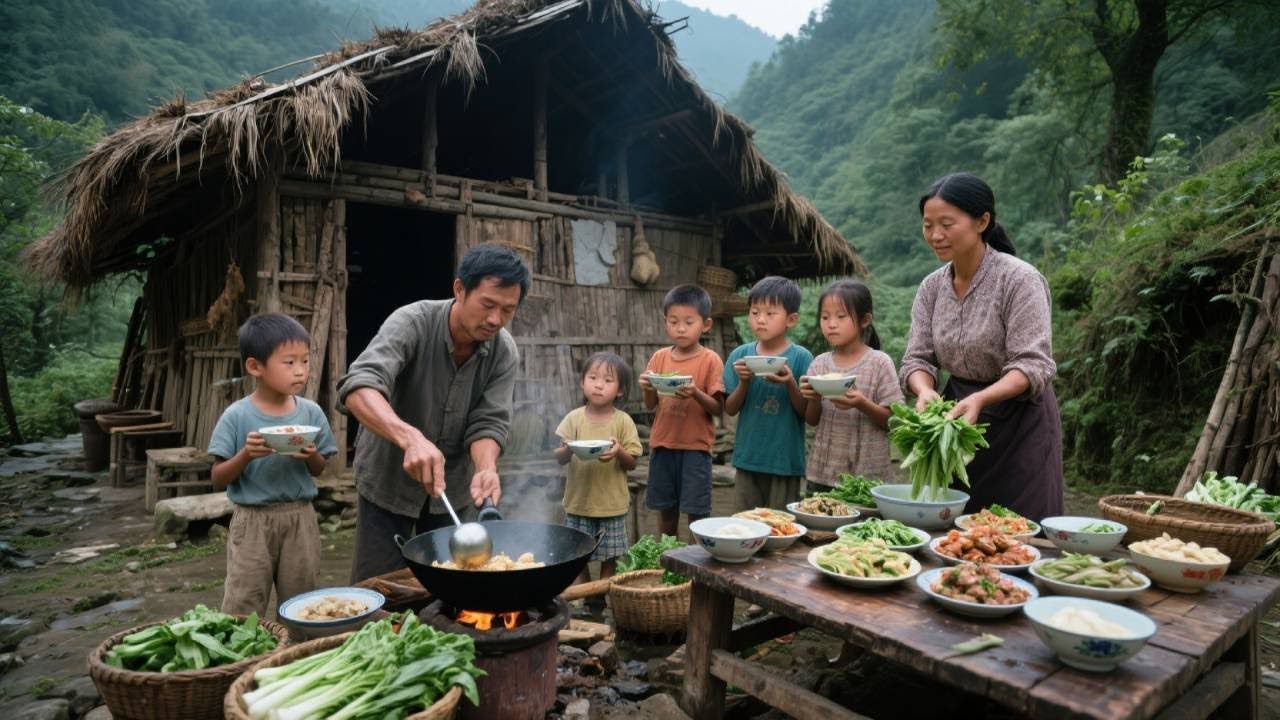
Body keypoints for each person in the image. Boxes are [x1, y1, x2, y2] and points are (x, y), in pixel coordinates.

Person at [337, 244, 527, 583]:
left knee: (448, 591)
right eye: (488, 304)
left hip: (452, 490)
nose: (495, 319)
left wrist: (485, 468)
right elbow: (359, 386)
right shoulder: (412, 322)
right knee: (377, 588)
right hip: (388, 480)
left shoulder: (503, 350)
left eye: (508, 310)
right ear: (459, 289)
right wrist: (409, 437)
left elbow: (489, 421)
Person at [901, 172, 1064, 520]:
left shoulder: (1019, 279)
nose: (935, 235)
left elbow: (1032, 364)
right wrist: (924, 390)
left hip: (1019, 422)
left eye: (947, 224)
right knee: (957, 532)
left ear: (982, 221)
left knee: (1018, 531)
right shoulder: (931, 288)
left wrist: (981, 398)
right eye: (928, 225)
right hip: (958, 426)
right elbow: (917, 358)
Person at [209, 313, 338, 616]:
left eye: (305, 361)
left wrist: (310, 455)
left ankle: (295, 654)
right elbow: (217, 478)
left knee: (302, 603)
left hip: (300, 519)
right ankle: (245, 660)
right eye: (289, 362)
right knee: (244, 599)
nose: (300, 372)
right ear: (256, 367)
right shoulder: (237, 416)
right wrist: (246, 455)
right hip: (252, 520)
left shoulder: (310, 413)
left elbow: (320, 469)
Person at [638, 284, 725, 538]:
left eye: (689, 321)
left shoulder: (710, 360)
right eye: (674, 321)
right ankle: (668, 561)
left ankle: (697, 565)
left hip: (696, 449)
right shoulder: (660, 357)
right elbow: (650, 404)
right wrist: (647, 386)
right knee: (666, 511)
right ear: (666, 323)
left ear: (706, 325)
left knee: (697, 514)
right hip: (663, 446)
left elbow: (718, 408)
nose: (681, 328)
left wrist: (695, 392)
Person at [799, 281, 904, 490]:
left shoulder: (879, 363)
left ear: (865, 320)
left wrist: (862, 404)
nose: (831, 324)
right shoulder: (819, 364)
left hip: (868, 478)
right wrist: (814, 398)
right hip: (822, 474)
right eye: (825, 317)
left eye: (841, 316)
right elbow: (811, 420)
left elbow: (894, 422)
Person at [723, 276, 813, 509]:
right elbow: (730, 409)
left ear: (791, 319)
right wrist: (744, 382)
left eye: (770, 314)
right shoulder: (739, 356)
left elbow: (807, 413)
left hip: (785, 461)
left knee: (782, 528)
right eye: (755, 312)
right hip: (748, 458)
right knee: (746, 527)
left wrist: (790, 382)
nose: (760, 320)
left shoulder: (801, 358)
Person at [554, 352, 643, 583]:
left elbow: (632, 462)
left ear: (620, 390)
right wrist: (568, 449)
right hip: (578, 502)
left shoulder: (623, 421)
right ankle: (586, 590)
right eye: (593, 377)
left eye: (608, 380)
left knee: (609, 556)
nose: (599, 385)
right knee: (576, 553)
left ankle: (602, 594)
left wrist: (618, 452)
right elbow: (559, 458)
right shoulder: (574, 419)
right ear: (582, 382)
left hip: (611, 504)